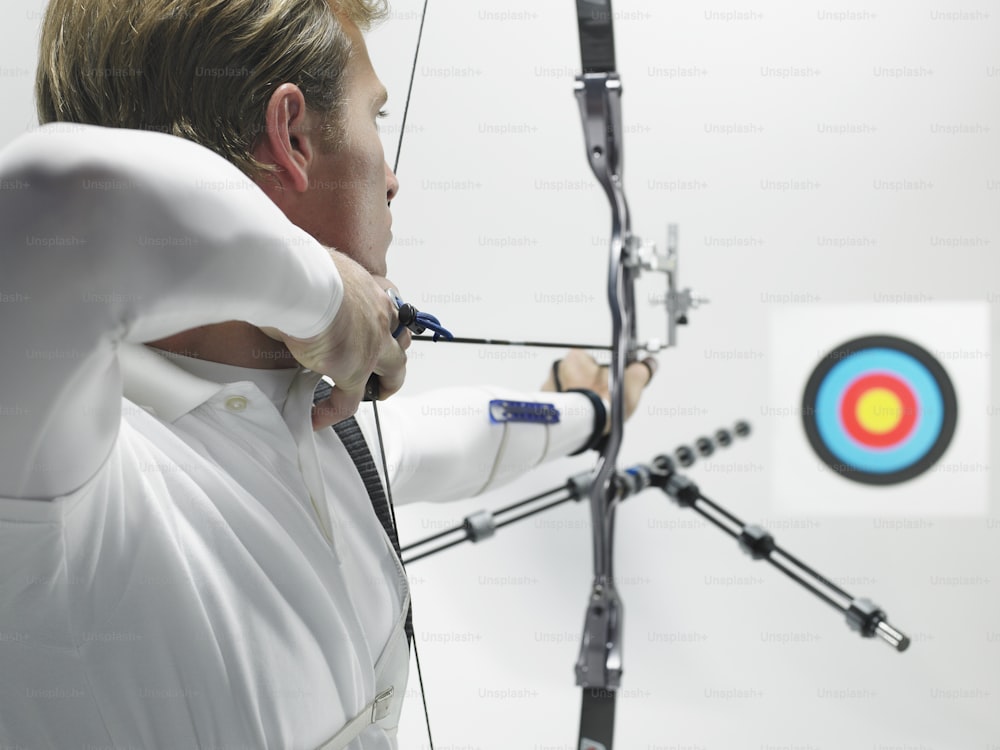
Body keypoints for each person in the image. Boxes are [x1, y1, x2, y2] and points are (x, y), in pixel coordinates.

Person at [0, 0, 655, 748]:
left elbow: (458, 438)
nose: (394, 179)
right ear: (294, 137)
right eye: (376, 117)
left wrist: (588, 411)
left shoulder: (319, 430)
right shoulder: (64, 474)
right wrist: (328, 301)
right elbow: (51, 200)